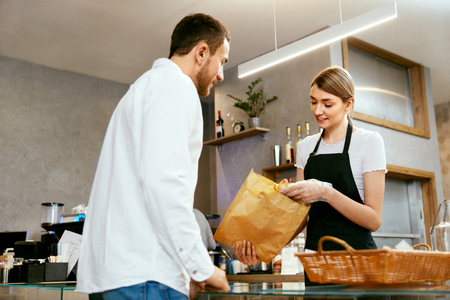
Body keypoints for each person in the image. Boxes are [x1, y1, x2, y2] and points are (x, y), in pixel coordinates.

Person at [76, 13, 231, 299]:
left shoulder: (144, 88)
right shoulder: (176, 87)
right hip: (145, 276)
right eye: (221, 61)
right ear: (201, 53)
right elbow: (164, 183)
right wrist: (201, 267)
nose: (221, 74)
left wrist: (186, 268)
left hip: (120, 275)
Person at [234, 66, 386, 286]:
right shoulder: (306, 147)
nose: (317, 110)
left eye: (328, 103)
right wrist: (266, 249)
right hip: (316, 266)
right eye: (313, 101)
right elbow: (299, 216)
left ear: (348, 104)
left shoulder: (369, 142)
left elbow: (374, 219)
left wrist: (326, 192)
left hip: (358, 264)